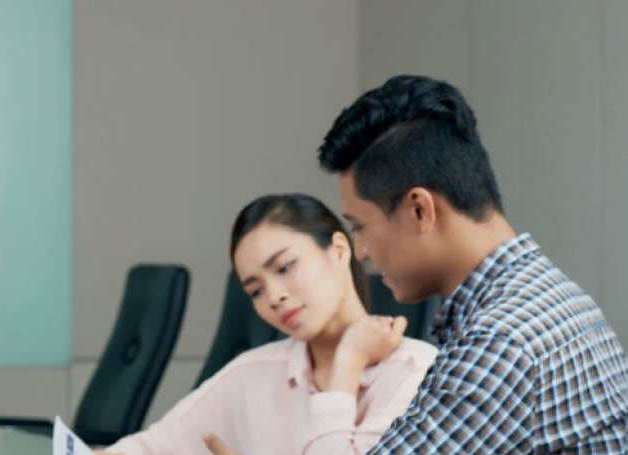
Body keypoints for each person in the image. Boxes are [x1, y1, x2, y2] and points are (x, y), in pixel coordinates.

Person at [206, 75, 628, 454]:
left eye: (361, 226)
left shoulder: (501, 344)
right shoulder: (547, 297)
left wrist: (344, 368)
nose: (362, 252)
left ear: (420, 210)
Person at [98, 193, 436, 455]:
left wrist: (345, 368)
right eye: (256, 290)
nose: (273, 296)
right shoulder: (253, 371)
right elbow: (148, 448)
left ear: (338, 250)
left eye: (285, 267)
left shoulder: (414, 374)